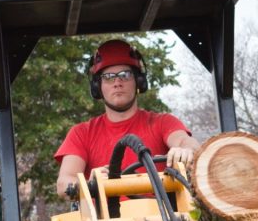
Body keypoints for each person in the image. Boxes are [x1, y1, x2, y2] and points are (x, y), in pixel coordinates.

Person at [55, 39, 200, 198]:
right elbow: (64, 183)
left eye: (125, 75)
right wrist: (90, 183)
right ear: (98, 86)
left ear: (138, 81)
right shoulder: (81, 133)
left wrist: (186, 150)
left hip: (165, 220)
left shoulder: (162, 122)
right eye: (109, 77)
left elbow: (185, 142)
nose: (117, 82)